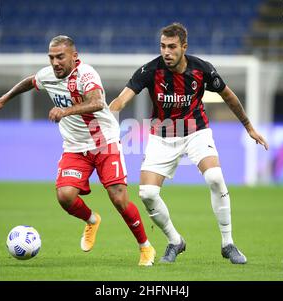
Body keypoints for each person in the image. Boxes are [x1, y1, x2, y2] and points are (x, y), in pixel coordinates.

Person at [0, 35, 156, 266]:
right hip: (75, 147)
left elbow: (96, 102)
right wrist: (4, 99)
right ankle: (92, 220)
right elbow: (30, 81)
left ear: (74, 57)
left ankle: (145, 247)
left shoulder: (86, 74)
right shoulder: (48, 75)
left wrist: (64, 111)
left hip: (104, 142)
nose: (55, 62)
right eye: (51, 57)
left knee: (118, 197)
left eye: (60, 57)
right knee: (65, 196)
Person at [109, 23, 268, 264]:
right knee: (147, 193)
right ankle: (175, 241)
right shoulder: (150, 70)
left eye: (172, 47)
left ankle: (228, 243)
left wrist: (249, 127)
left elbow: (229, 96)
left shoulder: (202, 69)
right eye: (163, 46)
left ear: (184, 47)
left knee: (215, 177)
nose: (166, 52)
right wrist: (107, 121)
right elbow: (121, 100)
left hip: (196, 132)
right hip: (162, 136)